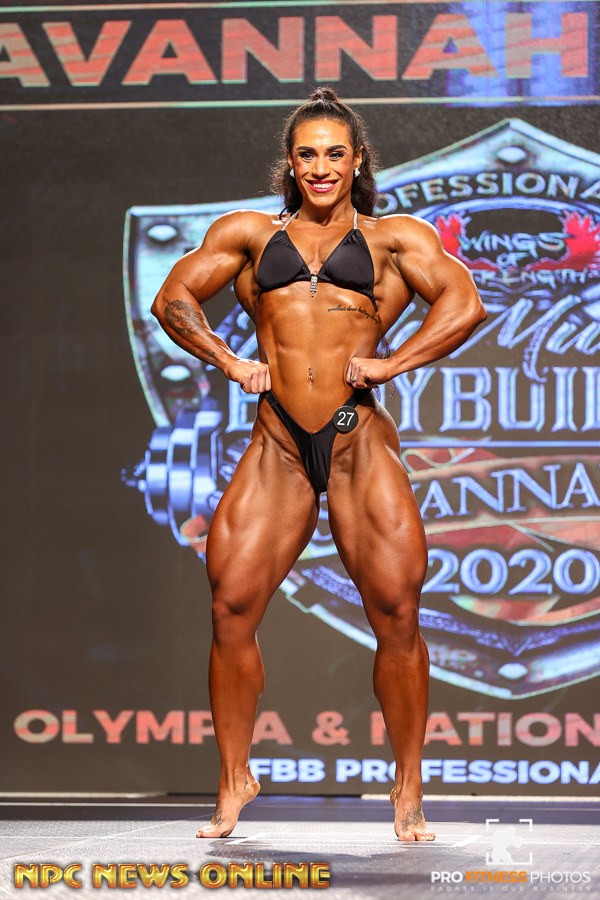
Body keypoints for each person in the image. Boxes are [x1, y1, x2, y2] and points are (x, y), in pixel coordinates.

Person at [151, 87, 486, 842]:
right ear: (291, 163)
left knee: (397, 613)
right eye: (308, 154)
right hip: (278, 443)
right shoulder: (248, 234)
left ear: (357, 161)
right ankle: (234, 778)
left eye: (336, 153)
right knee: (230, 607)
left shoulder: (392, 240)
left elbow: (463, 303)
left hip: (356, 439)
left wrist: (393, 362)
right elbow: (173, 299)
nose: (322, 167)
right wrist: (229, 360)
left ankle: (408, 790)